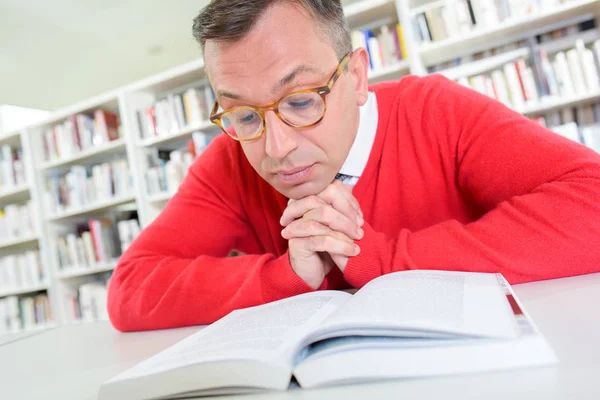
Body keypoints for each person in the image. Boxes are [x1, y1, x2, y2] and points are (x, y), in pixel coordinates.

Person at [107, 0, 600, 332]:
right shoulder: (229, 158)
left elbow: (592, 200)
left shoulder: (434, 111)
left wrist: (378, 260)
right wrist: (284, 278)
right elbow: (130, 289)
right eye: (241, 114)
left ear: (358, 76)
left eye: (301, 101)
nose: (276, 148)